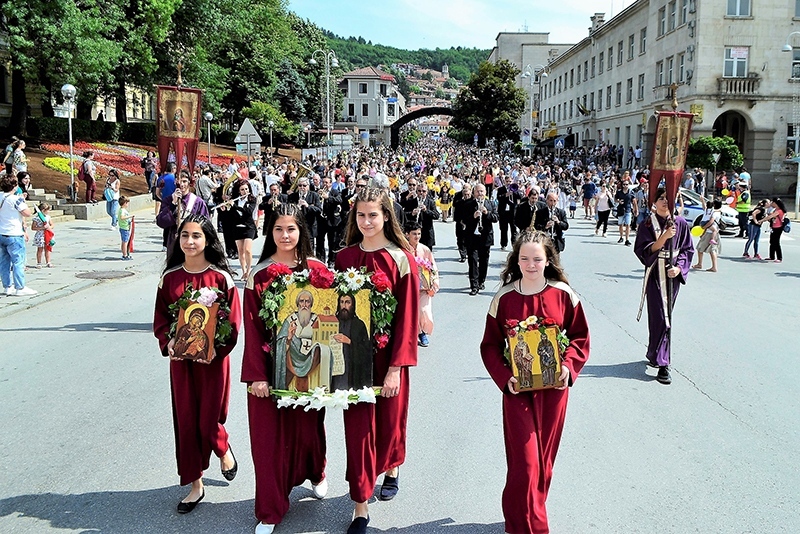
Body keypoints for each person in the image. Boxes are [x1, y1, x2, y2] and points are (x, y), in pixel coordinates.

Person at [480, 230, 590, 534]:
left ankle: (520, 516)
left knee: (543, 464)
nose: (530, 264)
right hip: (517, 393)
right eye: (524, 258)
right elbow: (489, 346)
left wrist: (568, 367)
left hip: (554, 393)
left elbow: (580, 337)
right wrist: (505, 378)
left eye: (537, 259)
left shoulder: (564, 294)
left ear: (548, 260)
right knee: (525, 464)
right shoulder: (503, 298)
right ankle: (532, 527)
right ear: (516, 259)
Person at [334, 186, 419, 534]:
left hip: (388, 359)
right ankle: (360, 505)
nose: (367, 221)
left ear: (387, 216)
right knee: (357, 431)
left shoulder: (401, 258)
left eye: (374, 214)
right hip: (352, 359)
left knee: (388, 424)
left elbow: (408, 318)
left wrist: (397, 368)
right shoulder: (342, 258)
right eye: (361, 215)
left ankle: (392, 467)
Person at [242, 203, 329, 534]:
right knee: (267, 441)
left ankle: (317, 471)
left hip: (309, 367)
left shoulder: (317, 271)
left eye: (291, 228)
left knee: (308, 430)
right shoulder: (259, 275)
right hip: (268, 370)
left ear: (301, 231)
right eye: (278, 229)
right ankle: (269, 509)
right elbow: (252, 327)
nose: (285, 235)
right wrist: (256, 375)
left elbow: (329, 320)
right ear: (271, 232)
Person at [153, 215, 242, 513]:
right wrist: (168, 343)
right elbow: (162, 319)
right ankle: (195, 484)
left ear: (207, 240)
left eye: (196, 236)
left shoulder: (221, 279)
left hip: (213, 362)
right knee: (187, 420)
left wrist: (217, 348)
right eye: (185, 236)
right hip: (181, 363)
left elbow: (232, 322)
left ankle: (221, 445)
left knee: (208, 419)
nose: (190, 242)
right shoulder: (170, 278)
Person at [634, 188, 694, 385]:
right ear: (654, 201)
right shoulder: (647, 224)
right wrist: (663, 237)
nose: (665, 201)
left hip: (672, 275)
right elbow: (643, 250)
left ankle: (661, 361)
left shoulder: (681, 223)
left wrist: (679, 268)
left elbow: (687, 249)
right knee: (659, 316)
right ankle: (660, 359)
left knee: (666, 315)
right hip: (654, 273)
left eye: (668, 198)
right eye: (661, 198)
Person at [0, 173, 36, 296]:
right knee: (18, 261)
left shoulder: (0, 196)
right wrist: (23, 199)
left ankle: (7, 286)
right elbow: (27, 213)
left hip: (1, 232)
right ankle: (20, 287)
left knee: (4, 261)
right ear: (15, 186)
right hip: (14, 233)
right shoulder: (16, 199)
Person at [157, 171, 210, 252]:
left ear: (189, 182)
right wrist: (173, 205)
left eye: (184, 181)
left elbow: (206, 226)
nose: (181, 184)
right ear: (175, 181)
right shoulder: (168, 200)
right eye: (179, 181)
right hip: (174, 245)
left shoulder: (198, 202)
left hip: (192, 246)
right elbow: (161, 222)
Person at [406, 221, 440, 347]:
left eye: (419, 234)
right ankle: (413, 334)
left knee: (424, 311)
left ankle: (422, 333)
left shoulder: (425, 249)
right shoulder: (403, 251)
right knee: (411, 312)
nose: (417, 237)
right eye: (414, 234)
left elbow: (433, 268)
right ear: (407, 234)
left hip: (424, 289)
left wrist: (434, 285)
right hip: (409, 288)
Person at [332, 293, 372, 390]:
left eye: (347, 302)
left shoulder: (359, 325)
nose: (344, 306)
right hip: (335, 368)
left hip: (352, 370)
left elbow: (366, 350)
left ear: (353, 305)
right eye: (342, 302)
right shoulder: (332, 322)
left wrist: (350, 342)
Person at [230, 180, 258, 280]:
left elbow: (248, 212)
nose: (245, 191)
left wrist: (235, 206)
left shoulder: (252, 199)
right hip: (237, 227)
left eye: (246, 189)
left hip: (249, 227)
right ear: (238, 191)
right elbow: (232, 215)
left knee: (247, 250)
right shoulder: (235, 200)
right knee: (240, 251)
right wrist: (226, 208)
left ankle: (249, 270)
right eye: (242, 190)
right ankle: (243, 271)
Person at [401, 181, 439, 250]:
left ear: (427, 192)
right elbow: (404, 214)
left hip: (427, 232)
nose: (421, 193)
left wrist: (426, 210)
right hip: (414, 233)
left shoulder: (430, 202)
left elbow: (436, 215)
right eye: (419, 191)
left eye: (424, 191)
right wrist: (412, 213)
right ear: (416, 191)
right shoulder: (411, 201)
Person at [692, 199, 722, 272]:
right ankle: (713, 266)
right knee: (712, 250)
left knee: (700, 248)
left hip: (709, 232)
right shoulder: (717, 212)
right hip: (714, 233)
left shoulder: (713, 213)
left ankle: (700, 264)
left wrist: (704, 227)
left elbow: (711, 221)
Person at [763, 197, 787, 263]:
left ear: (775, 203)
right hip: (774, 227)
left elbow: (770, 216)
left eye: (772, 202)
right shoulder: (774, 210)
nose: (771, 203)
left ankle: (779, 257)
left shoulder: (779, 211)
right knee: (772, 241)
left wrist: (761, 220)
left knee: (776, 242)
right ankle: (771, 256)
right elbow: (771, 218)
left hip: (778, 228)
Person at [31, 202, 54, 268]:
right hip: (40, 235)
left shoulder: (48, 217)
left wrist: (49, 227)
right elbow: (33, 227)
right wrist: (42, 228)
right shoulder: (37, 218)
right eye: (47, 210)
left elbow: (52, 225)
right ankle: (39, 262)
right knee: (40, 249)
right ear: (43, 210)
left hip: (47, 234)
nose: (48, 212)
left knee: (47, 249)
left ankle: (48, 262)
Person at [614, 181, 634, 246]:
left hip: (628, 210)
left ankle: (627, 239)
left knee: (628, 225)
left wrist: (636, 209)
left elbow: (634, 200)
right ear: (622, 185)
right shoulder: (619, 192)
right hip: (620, 210)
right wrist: (618, 201)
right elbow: (615, 199)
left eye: (627, 184)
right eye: (624, 184)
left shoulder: (631, 192)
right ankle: (621, 237)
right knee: (620, 224)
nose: (625, 186)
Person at [118, 196, 133, 260]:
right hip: (124, 228)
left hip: (124, 227)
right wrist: (129, 217)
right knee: (125, 242)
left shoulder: (122, 210)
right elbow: (122, 217)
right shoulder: (122, 211)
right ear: (124, 203)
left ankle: (124, 253)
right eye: (127, 203)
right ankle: (125, 255)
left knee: (124, 241)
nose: (127, 204)